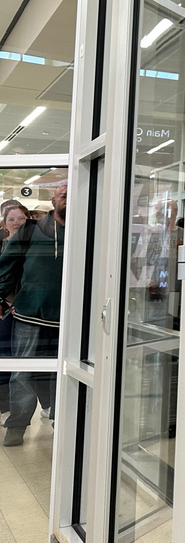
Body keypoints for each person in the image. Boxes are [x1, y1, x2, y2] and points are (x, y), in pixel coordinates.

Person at [0, 183, 67, 446]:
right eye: (63, 195)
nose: (67, 200)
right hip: (29, 314)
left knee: (65, 373)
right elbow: (7, 266)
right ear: (53, 200)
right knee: (23, 373)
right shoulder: (29, 231)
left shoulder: (86, 231)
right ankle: (16, 425)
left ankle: (63, 420)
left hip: (69, 318)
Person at [0, 203, 29, 424]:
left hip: (23, 311)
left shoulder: (35, 246)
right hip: (4, 310)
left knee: (19, 361)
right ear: (4, 223)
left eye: (21, 218)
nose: (17, 223)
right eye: (12, 219)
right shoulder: (2, 246)